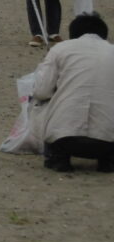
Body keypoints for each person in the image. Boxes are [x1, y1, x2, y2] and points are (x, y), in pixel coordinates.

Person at [32, 13, 114, 172]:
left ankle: (59, 158)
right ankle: (107, 161)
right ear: (104, 35)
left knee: (45, 100)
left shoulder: (60, 49)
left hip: (63, 138)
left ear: (73, 34)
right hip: (108, 141)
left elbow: (41, 92)